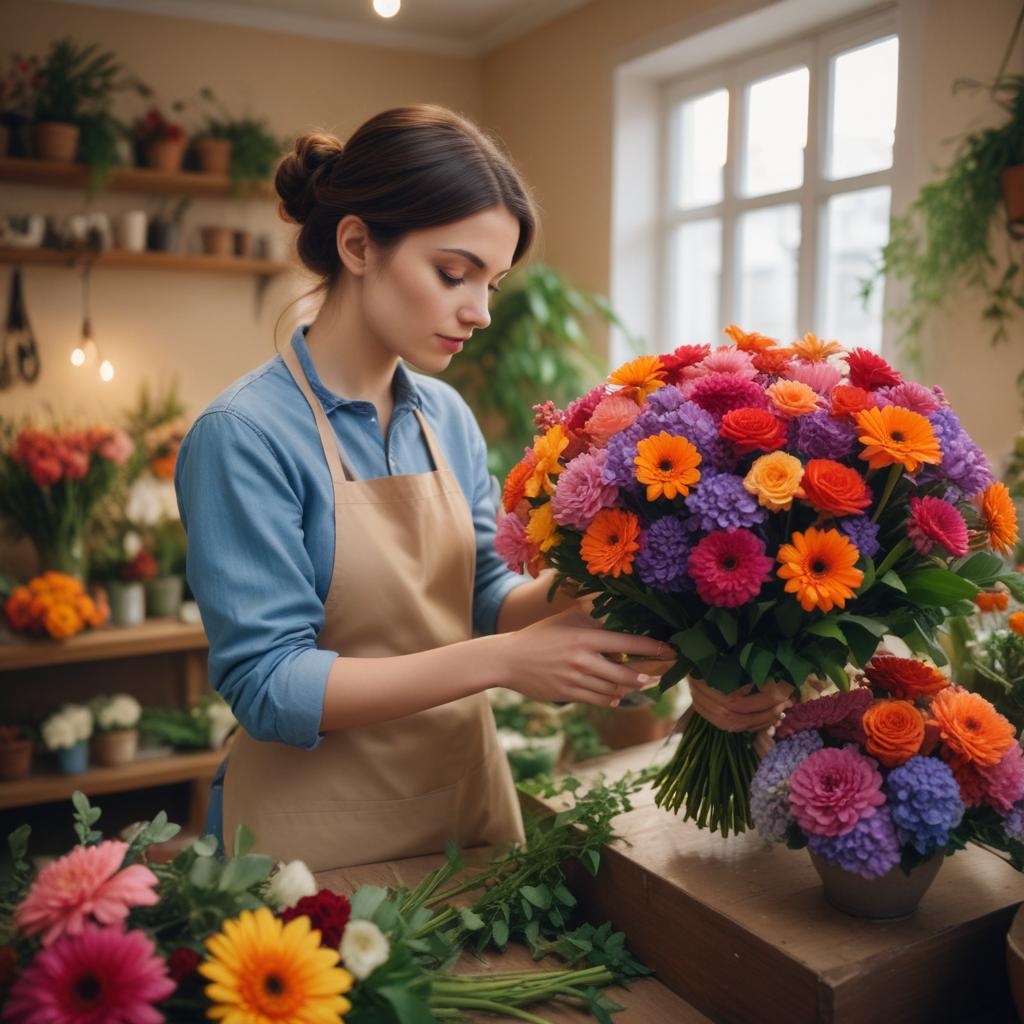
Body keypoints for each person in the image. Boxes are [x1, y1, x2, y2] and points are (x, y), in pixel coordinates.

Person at [175, 105, 673, 872]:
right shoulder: (244, 434)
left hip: (463, 812)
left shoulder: (444, 414)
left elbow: (482, 596)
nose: (478, 311)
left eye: (493, 283)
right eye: (453, 273)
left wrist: (592, 578)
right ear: (357, 245)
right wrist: (506, 660)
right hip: (316, 846)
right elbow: (271, 684)